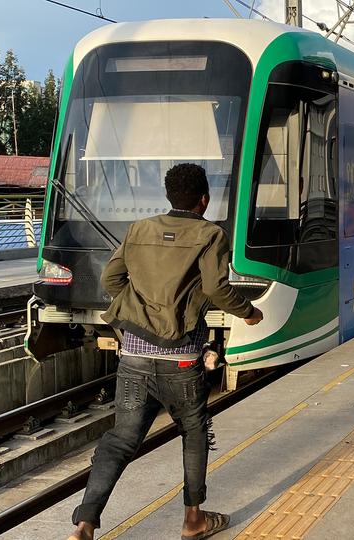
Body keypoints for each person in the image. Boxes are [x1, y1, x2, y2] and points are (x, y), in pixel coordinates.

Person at [68, 164, 264, 540]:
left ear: (169, 196)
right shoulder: (211, 234)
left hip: (135, 357)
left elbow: (111, 279)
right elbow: (217, 289)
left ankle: (85, 523)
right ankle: (193, 520)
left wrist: (141, 308)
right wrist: (249, 312)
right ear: (204, 199)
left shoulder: (138, 229)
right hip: (182, 358)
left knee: (121, 440)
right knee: (193, 431)